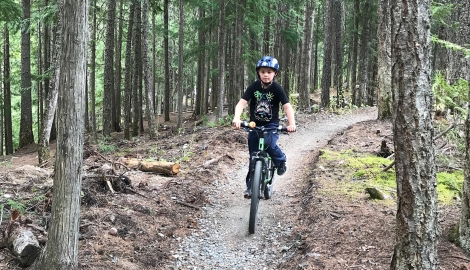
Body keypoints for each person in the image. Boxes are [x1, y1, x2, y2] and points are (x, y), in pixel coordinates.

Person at [232, 56, 296, 198]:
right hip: (254, 125)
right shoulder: (253, 87)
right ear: (258, 73)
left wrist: (291, 124)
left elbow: (287, 107)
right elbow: (242, 103)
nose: (266, 74)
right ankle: (250, 188)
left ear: (275, 73)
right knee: (253, 156)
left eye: (269, 72)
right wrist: (237, 118)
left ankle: (280, 160)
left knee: (269, 143)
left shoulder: (277, 88)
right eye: (263, 72)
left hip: (271, 125)